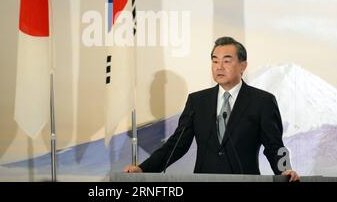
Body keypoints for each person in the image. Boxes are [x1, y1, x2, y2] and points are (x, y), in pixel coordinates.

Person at [125, 37, 300, 182]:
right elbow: (177, 144)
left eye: (226, 61)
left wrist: (285, 170)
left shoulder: (262, 101)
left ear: (243, 66)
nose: (219, 67)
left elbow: (274, 146)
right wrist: (143, 169)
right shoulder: (198, 101)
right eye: (215, 61)